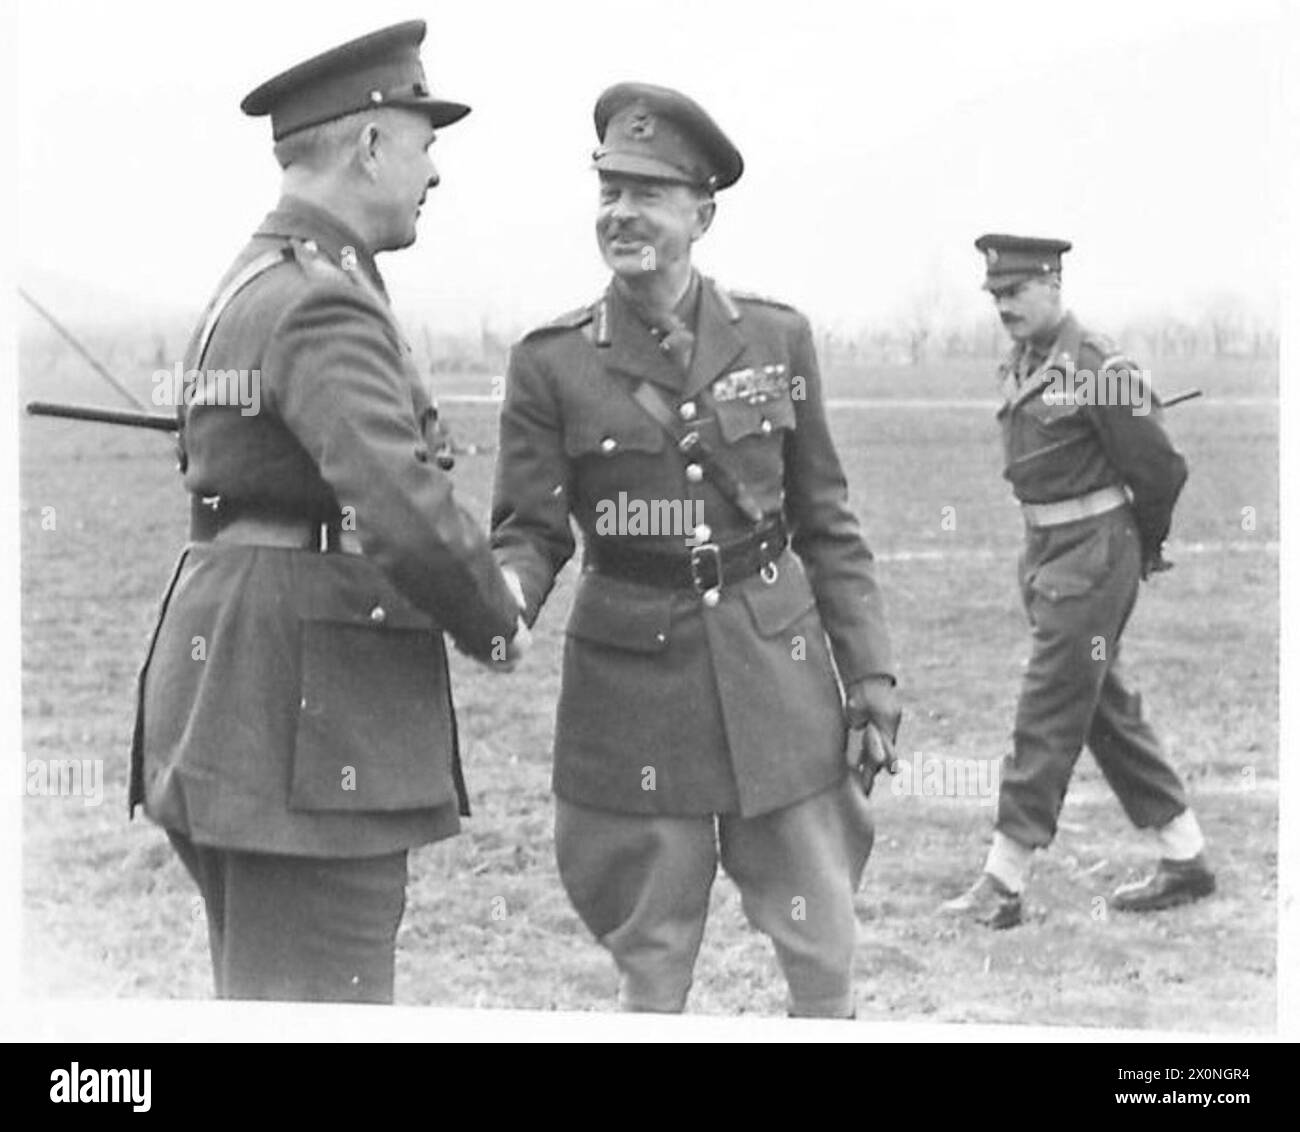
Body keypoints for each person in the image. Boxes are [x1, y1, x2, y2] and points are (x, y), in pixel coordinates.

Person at [128, 20, 527, 1002]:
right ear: (371, 143)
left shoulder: (253, 280)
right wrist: (499, 615)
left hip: (232, 699)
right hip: (302, 736)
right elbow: (401, 508)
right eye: (425, 141)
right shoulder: (321, 300)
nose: (435, 170)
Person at [490, 82, 899, 1017]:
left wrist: (870, 673)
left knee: (821, 942)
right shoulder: (550, 361)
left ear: (701, 213)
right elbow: (530, 528)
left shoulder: (777, 337)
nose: (621, 215)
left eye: (648, 194)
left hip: (776, 670)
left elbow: (826, 519)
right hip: (635, 686)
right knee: (652, 955)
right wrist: (505, 596)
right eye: (609, 194)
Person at [940, 234, 1214, 929]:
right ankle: (1185, 858)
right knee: (1099, 707)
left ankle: (1003, 882)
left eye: (1016, 292)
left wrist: (1140, 548)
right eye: (996, 295)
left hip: (1094, 554)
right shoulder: (1025, 361)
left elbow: (1160, 468)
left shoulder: (1095, 362)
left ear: (1052, 285)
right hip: (1047, 551)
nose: (1004, 306)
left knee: (1047, 707)